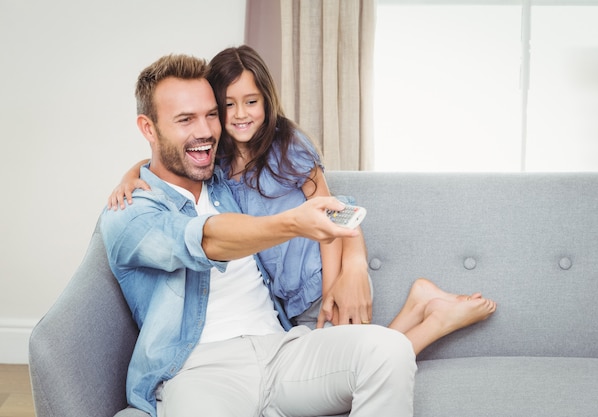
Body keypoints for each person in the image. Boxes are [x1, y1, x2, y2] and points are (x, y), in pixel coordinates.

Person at [108, 45, 497, 356]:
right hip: (287, 295)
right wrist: (131, 174)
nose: (240, 114)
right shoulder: (218, 162)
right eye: (227, 105)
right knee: (353, 365)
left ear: (267, 100)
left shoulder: (287, 146)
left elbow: (332, 213)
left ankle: (434, 321)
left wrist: (341, 281)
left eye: (251, 101)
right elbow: (167, 157)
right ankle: (420, 303)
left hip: (320, 279)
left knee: (356, 367)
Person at [100, 53, 419, 417]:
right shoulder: (131, 214)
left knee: (388, 350)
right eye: (185, 119)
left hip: (280, 349)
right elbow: (206, 239)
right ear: (149, 129)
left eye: (210, 115)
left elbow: (333, 204)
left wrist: (355, 263)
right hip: (201, 371)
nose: (204, 131)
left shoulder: (224, 176)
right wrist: (293, 223)